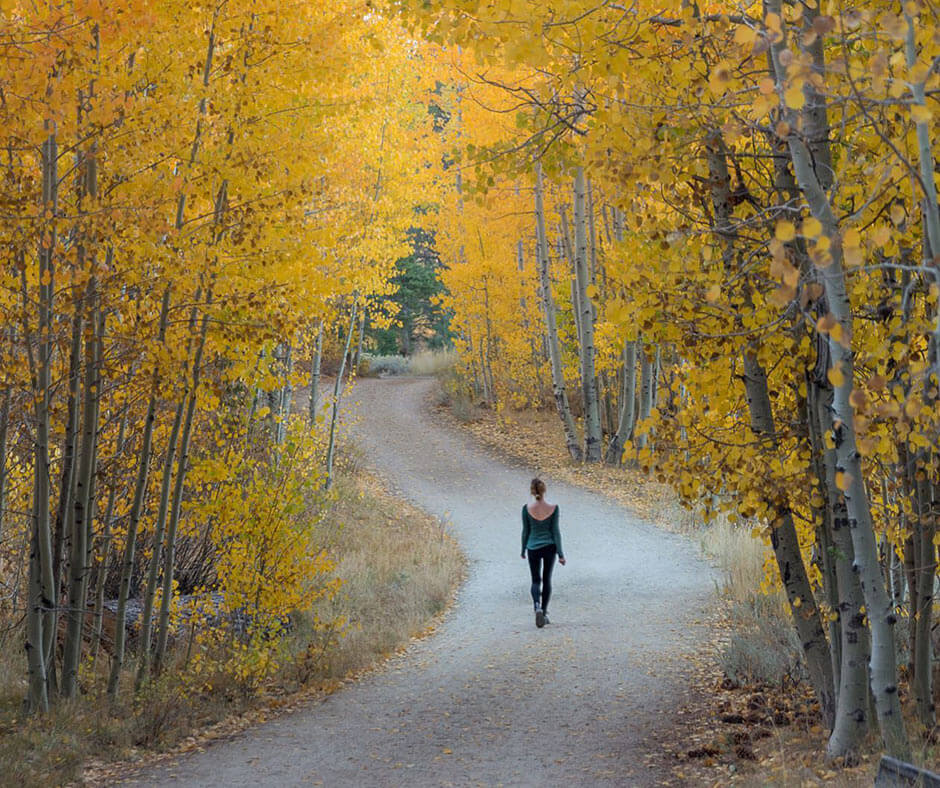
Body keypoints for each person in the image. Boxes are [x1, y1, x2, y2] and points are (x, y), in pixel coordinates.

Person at [521, 478, 565, 628]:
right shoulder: (553, 508)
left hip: (532, 547)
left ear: (532, 491)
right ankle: (544, 613)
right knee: (547, 580)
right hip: (549, 547)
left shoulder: (526, 509)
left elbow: (525, 531)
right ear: (544, 490)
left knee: (535, 580)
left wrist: (522, 549)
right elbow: (555, 532)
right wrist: (560, 554)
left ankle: (537, 606)